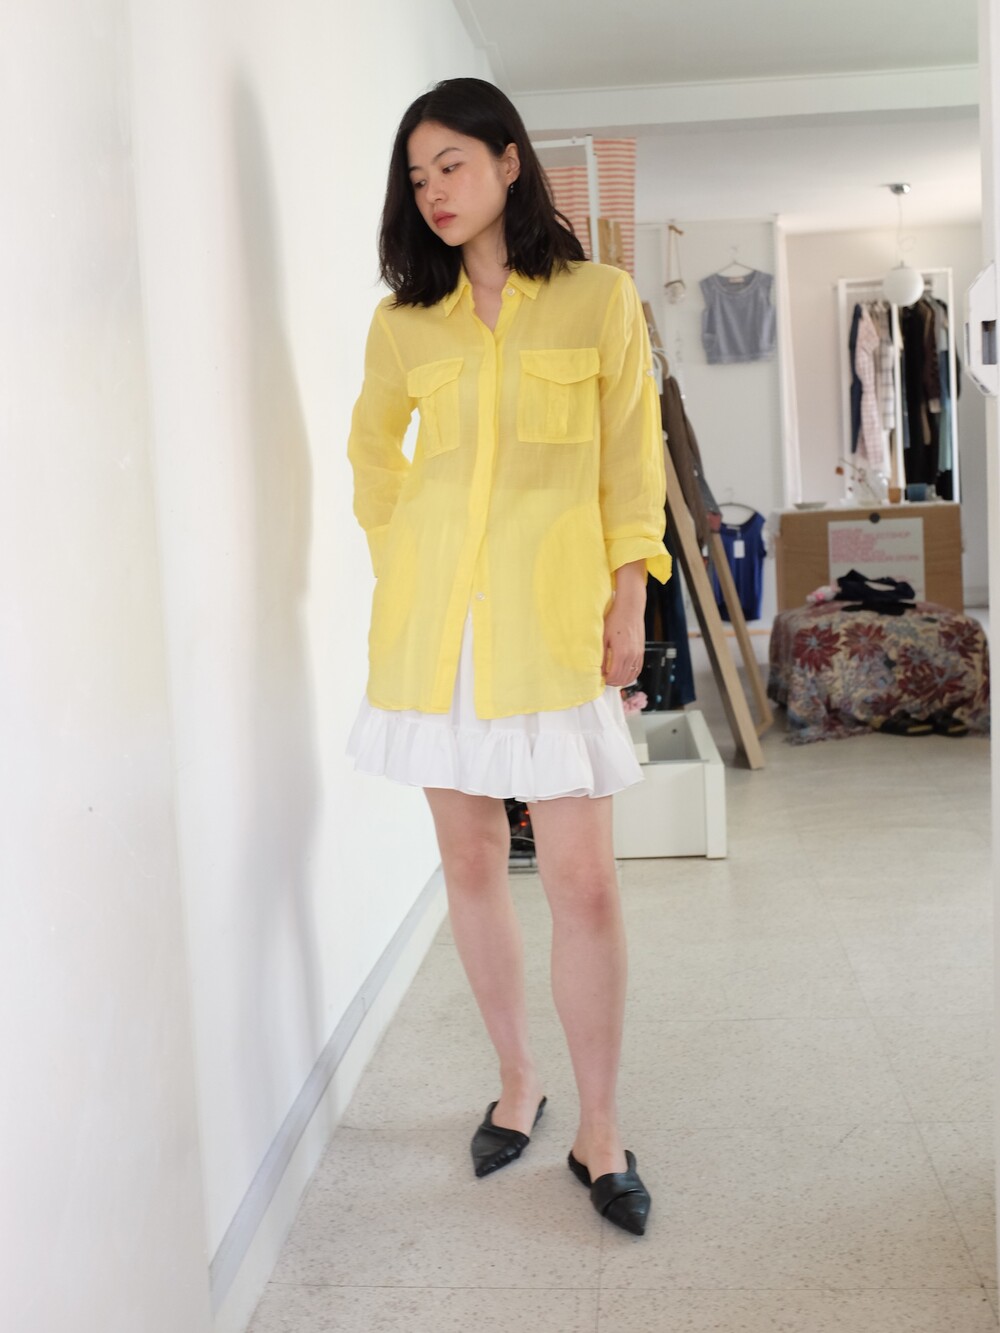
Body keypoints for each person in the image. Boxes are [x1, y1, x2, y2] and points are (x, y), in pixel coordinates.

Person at [346, 77, 670, 1236]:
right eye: (416, 175)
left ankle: (600, 1127)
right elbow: (373, 460)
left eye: (451, 164)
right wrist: (409, 560)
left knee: (582, 880)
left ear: (508, 161)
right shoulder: (405, 322)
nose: (433, 190)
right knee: (471, 861)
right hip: (440, 631)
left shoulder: (598, 298)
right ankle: (517, 1080)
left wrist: (629, 597)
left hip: (553, 620)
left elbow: (630, 460)